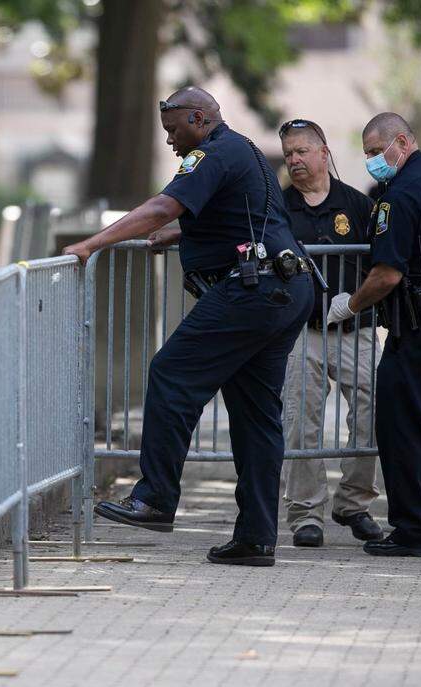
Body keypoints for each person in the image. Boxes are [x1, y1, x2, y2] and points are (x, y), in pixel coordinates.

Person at [63, 87, 313, 566]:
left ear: (199, 118)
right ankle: (256, 538)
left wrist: (91, 244)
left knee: (171, 373)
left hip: (253, 292)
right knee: (257, 417)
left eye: (175, 130)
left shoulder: (212, 154)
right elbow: (256, 215)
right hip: (285, 288)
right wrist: (189, 230)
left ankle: (155, 498)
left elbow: (161, 206)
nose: (172, 142)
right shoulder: (245, 153)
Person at [327, 112, 421, 557]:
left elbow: (387, 274)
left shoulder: (400, 196)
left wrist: (349, 305)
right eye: (368, 154)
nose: (373, 161)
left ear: (403, 142)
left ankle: (413, 530)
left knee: (402, 427)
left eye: (376, 151)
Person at [276, 119, 383, 547]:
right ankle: (306, 514)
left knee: (374, 415)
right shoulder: (278, 209)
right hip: (302, 330)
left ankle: (353, 504)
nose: (295, 160)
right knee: (301, 422)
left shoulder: (358, 205)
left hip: (356, 327)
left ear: (324, 152)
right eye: (288, 154)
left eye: (302, 151)